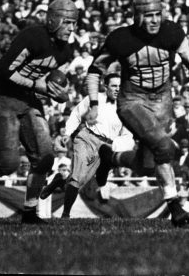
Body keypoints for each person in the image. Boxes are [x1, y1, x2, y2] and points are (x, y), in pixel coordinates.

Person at [85, 0, 189, 227]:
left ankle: (109, 158)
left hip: (163, 97)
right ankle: (175, 206)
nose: (155, 20)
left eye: (158, 14)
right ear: (137, 17)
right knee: (164, 145)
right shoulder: (121, 39)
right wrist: (94, 103)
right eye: (149, 15)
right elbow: (95, 70)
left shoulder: (172, 32)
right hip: (132, 99)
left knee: (148, 164)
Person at [0, 0, 77, 224]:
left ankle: (30, 211)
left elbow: (52, 83)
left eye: (74, 23)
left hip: (27, 100)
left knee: (45, 158)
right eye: (68, 23)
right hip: (0, 98)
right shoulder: (33, 36)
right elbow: (4, 70)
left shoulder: (65, 51)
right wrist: (37, 86)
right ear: (53, 21)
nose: (72, 29)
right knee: (8, 165)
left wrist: (60, 94)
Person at [39, 73, 132, 218]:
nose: (117, 89)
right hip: (87, 139)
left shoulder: (125, 105)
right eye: (114, 86)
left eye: (120, 86)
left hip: (106, 146)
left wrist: (119, 148)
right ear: (105, 86)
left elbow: (126, 134)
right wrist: (67, 133)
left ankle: (59, 181)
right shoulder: (94, 99)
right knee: (77, 177)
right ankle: (65, 215)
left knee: (80, 182)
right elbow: (76, 113)